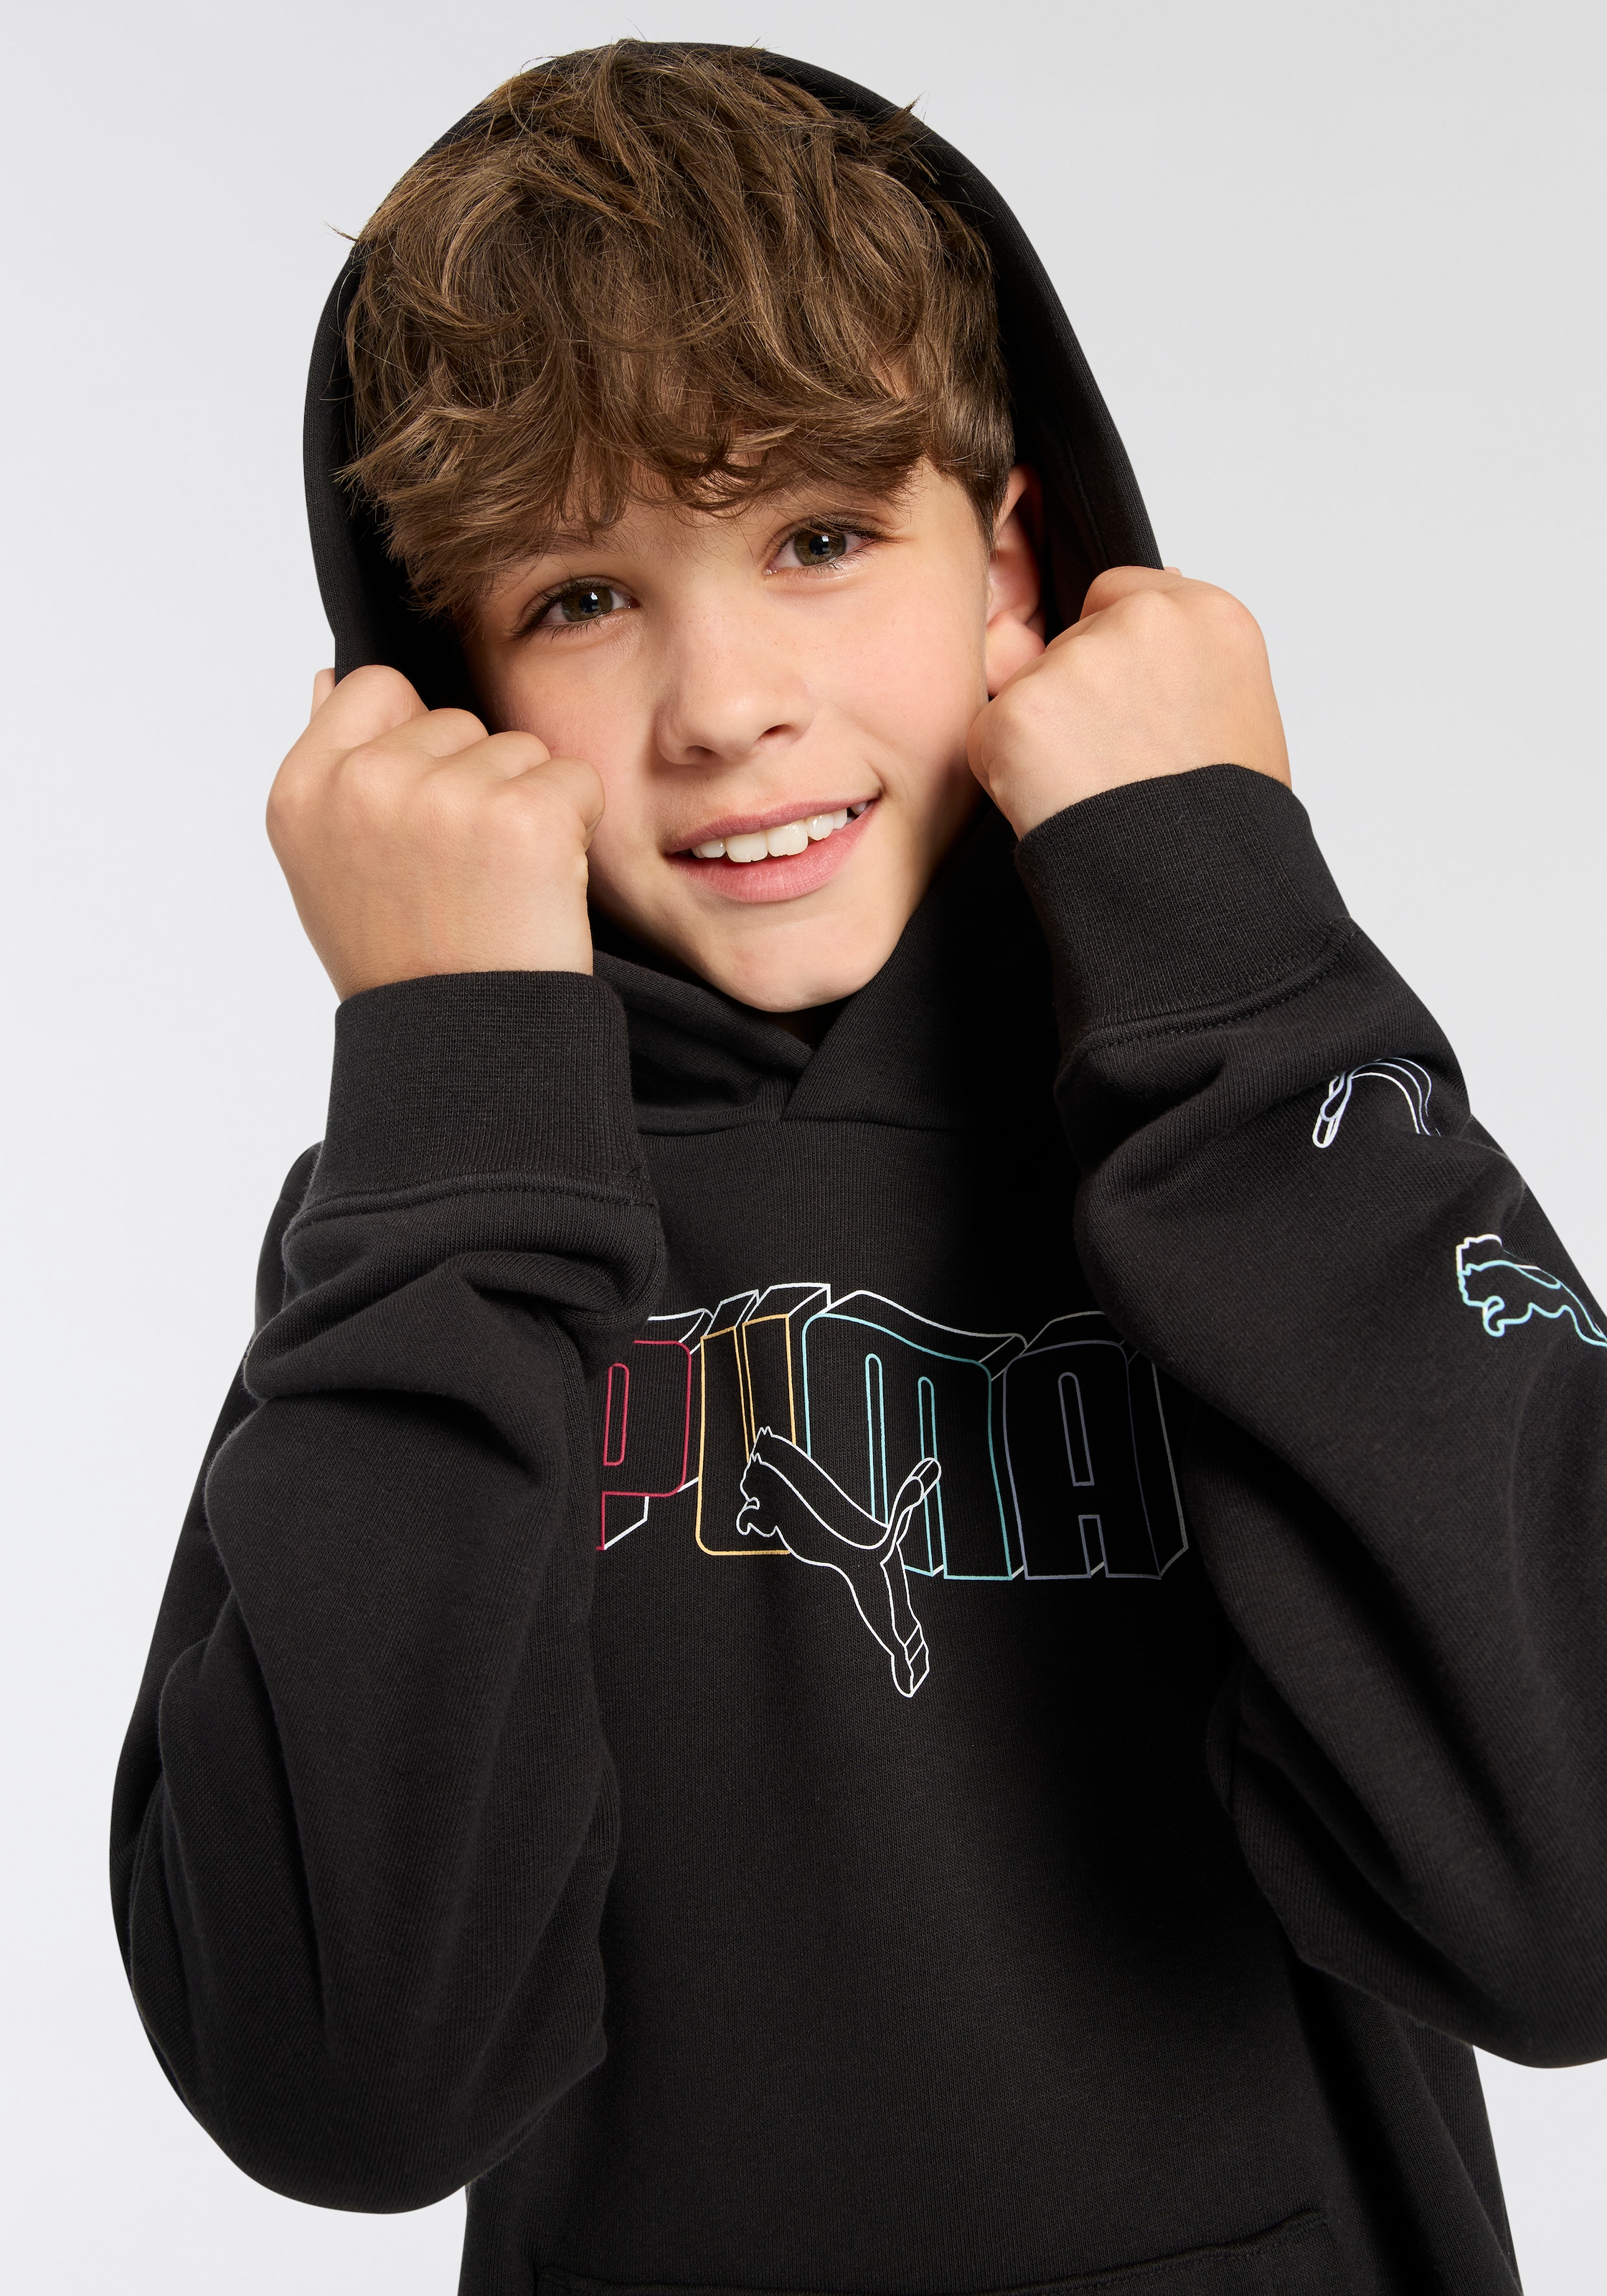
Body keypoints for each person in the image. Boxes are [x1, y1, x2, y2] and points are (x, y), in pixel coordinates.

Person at [111, 41, 1607, 2296]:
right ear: (442, 696)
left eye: (819, 539)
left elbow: (1569, 1908)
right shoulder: (447, 1235)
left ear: (1011, 565)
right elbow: (347, 2087)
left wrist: (1228, 947)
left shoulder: (1245, 1096)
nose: (725, 706)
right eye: (580, 597)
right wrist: (454, 1103)